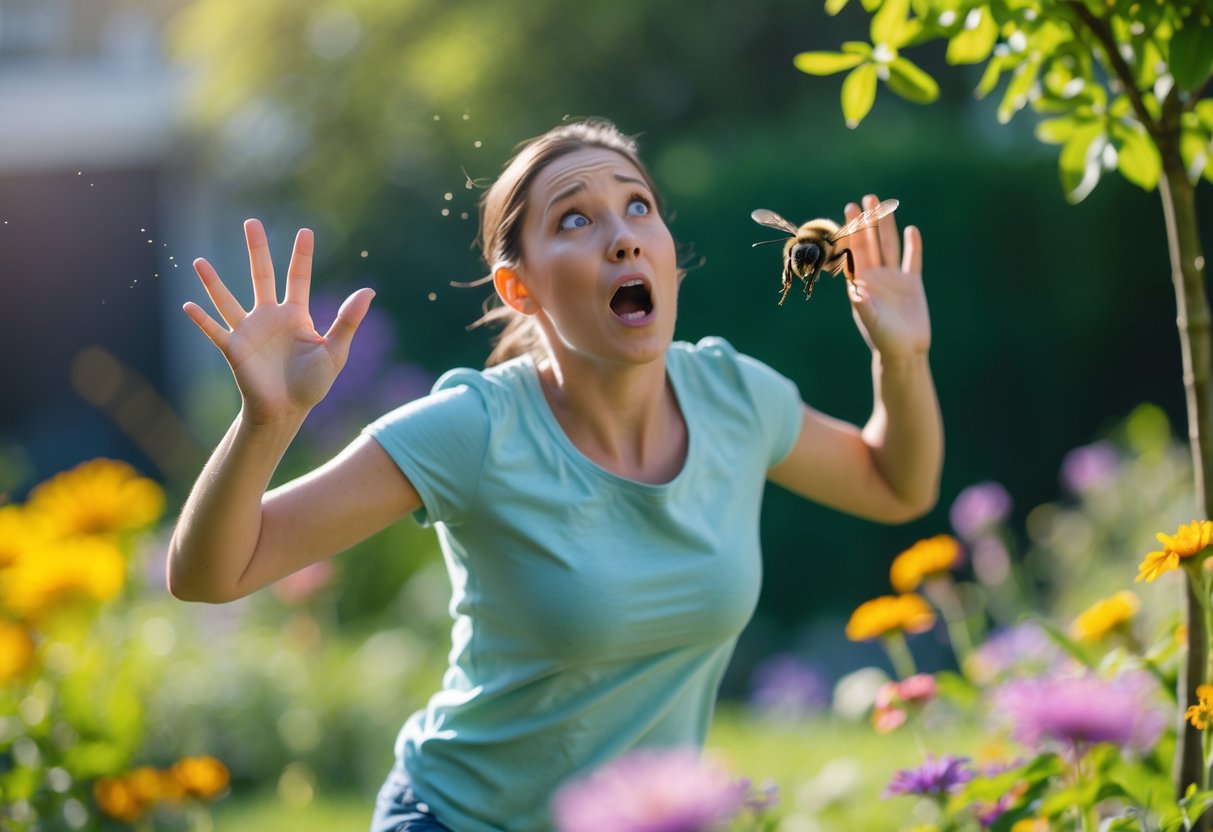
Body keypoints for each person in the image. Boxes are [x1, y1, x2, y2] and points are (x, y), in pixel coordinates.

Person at [167, 117, 942, 832]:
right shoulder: (475, 429)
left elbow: (894, 484)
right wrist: (266, 422)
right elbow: (212, 573)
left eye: (638, 206)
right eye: (575, 218)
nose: (623, 237)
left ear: (670, 255)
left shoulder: (734, 398)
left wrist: (900, 359)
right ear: (520, 287)